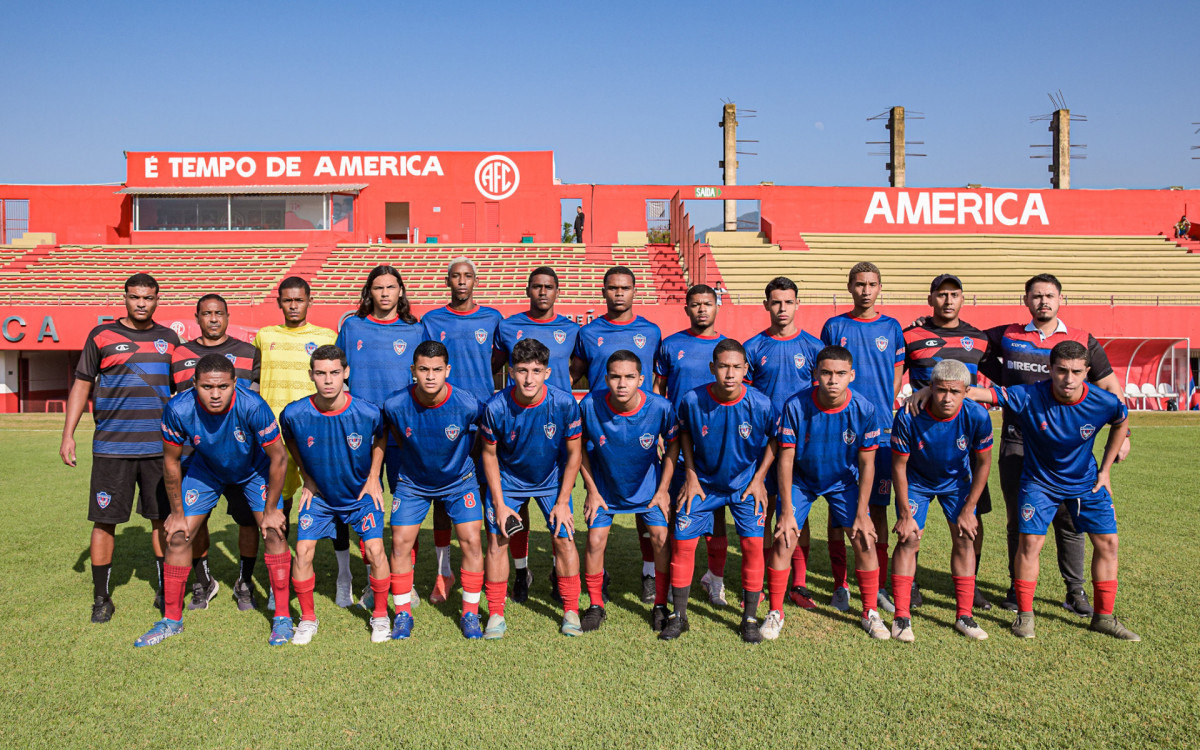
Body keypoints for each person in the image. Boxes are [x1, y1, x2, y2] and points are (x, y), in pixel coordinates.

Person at [974, 273, 1129, 614]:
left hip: (1068, 446)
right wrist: (1005, 380)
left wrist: (1125, 436)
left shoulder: (1081, 340)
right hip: (1018, 440)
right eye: (1037, 296)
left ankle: (1075, 593)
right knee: (1020, 521)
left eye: (1050, 296)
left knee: (1070, 520)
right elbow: (971, 347)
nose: (1043, 301)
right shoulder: (1008, 335)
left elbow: (1110, 388)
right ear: (1026, 300)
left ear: (1062, 300)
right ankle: (1018, 591)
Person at [967, 341, 1138, 640]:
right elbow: (976, 392)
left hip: (1086, 482)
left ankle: (1104, 618)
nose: (1068, 379)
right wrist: (934, 389)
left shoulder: (1103, 401)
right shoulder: (1029, 395)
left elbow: (1121, 421)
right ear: (1050, 369)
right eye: (1061, 371)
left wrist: (1106, 469)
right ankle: (1025, 615)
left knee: (1109, 543)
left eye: (1075, 372)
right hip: (1039, 483)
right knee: (1030, 543)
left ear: (1086, 371)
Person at [135, 355, 290, 647]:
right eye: (207, 386)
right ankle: (171, 620)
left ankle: (282, 618)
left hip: (252, 470)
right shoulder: (178, 408)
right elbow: (170, 462)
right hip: (206, 470)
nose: (215, 394)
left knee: (273, 531)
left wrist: (271, 511)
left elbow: (279, 457)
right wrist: (177, 513)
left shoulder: (253, 405)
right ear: (194, 384)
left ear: (235, 383)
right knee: (178, 535)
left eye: (223, 386)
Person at [60, 273, 180, 623]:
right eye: (135, 297)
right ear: (124, 298)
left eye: (149, 297)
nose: (142, 303)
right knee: (104, 522)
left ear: (158, 299)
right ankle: (101, 598)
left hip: (160, 449)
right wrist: (68, 434)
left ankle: (165, 591)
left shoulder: (169, 339)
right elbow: (82, 384)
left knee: (162, 520)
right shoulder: (102, 336)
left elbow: (180, 392)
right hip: (112, 448)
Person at [660, 340, 777, 644]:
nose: (729, 373)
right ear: (712, 368)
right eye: (723, 366)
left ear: (746, 370)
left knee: (752, 546)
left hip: (744, 486)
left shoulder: (761, 404)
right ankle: (679, 616)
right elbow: (683, 432)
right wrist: (691, 474)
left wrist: (759, 478)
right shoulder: (691, 400)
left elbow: (775, 441)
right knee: (683, 545)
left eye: (736, 367)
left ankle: (750, 619)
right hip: (703, 485)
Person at [764, 346, 885, 640]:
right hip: (801, 480)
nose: (833, 380)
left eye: (841, 374)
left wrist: (863, 513)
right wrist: (787, 511)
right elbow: (786, 460)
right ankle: (775, 611)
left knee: (865, 538)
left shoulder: (865, 409)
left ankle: (870, 610)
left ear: (851, 376)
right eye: (827, 373)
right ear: (815, 373)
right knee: (785, 536)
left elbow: (868, 464)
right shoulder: (795, 405)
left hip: (843, 481)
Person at [281, 345, 393, 645]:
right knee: (303, 552)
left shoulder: (368, 411)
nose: (328, 380)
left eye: (334, 373)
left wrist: (373, 477)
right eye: (321, 373)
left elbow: (381, 437)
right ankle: (307, 620)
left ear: (346, 373)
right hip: (320, 498)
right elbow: (290, 440)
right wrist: (307, 478)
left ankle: (381, 615)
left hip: (359, 496)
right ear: (311, 375)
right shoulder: (294, 413)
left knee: (375, 551)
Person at [252, 277, 354, 606]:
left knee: (335, 506)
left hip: (318, 438)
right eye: (287, 300)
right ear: (279, 302)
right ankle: (278, 585)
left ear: (310, 300)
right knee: (277, 510)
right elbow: (254, 384)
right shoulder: (264, 337)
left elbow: (340, 385)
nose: (293, 305)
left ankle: (343, 578)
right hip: (274, 441)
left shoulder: (327, 337)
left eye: (299, 299)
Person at [382, 341, 487, 640]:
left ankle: (470, 613)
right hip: (413, 482)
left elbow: (487, 428)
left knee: (470, 542)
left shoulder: (466, 403)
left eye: (437, 370)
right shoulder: (395, 404)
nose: (430, 376)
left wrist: (471, 458)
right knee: (400, 543)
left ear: (447, 370)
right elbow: (392, 437)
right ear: (413, 370)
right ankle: (402, 613)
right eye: (423, 369)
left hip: (459, 481)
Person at [480, 339, 583, 638]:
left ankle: (571, 611)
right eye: (522, 370)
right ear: (510, 371)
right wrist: (499, 504)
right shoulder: (495, 406)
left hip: (550, 480)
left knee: (564, 539)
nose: (528, 378)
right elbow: (489, 456)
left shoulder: (564, 404)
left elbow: (575, 454)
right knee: (498, 541)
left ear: (547, 373)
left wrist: (563, 501)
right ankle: (496, 615)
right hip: (509, 480)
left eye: (536, 371)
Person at [901, 274, 992, 611]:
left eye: (955, 294)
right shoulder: (911, 334)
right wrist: (917, 393)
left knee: (972, 522)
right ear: (931, 299)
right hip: (921, 439)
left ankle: (971, 587)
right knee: (913, 522)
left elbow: (998, 384)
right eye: (942, 295)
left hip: (965, 445)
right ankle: (908, 587)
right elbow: (897, 378)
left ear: (963, 299)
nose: (948, 301)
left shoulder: (980, 339)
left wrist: (966, 393)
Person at [572, 266, 663, 602]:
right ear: (603, 291)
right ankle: (600, 576)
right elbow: (573, 375)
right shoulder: (589, 332)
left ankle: (650, 573)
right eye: (613, 288)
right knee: (599, 506)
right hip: (601, 433)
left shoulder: (651, 331)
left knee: (645, 507)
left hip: (641, 430)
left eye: (625, 287)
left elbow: (656, 381)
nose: (619, 293)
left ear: (635, 291)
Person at [336, 265, 423, 610]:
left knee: (406, 509)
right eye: (378, 288)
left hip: (404, 433)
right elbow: (340, 376)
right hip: (362, 434)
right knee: (365, 506)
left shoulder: (416, 330)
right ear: (368, 292)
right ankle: (375, 579)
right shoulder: (352, 327)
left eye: (391, 287)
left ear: (401, 291)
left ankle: (407, 581)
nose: (385, 293)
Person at [889, 359, 994, 642]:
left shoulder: (978, 416)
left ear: (966, 391)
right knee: (909, 538)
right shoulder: (908, 415)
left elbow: (983, 463)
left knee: (965, 537)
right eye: (941, 390)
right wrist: (903, 513)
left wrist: (970, 509)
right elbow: (899, 465)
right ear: (930, 388)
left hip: (955, 483)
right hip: (916, 482)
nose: (947, 398)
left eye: (955, 392)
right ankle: (901, 616)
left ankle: (964, 615)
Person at [821, 262, 904, 614]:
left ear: (880, 287)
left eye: (871, 284)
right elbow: (824, 370)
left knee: (878, 510)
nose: (865, 290)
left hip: (880, 432)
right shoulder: (834, 326)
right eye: (859, 284)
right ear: (850, 288)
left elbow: (897, 376)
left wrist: (881, 409)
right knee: (838, 507)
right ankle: (840, 584)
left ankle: (879, 583)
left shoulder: (892, 327)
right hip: (839, 431)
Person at [171, 293, 262, 612]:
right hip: (196, 459)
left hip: (242, 457)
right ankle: (203, 581)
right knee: (197, 522)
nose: (213, 319)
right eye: (206, 313)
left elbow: (256, 401)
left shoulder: (248, 353)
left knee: (248, 522)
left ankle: (245, 582)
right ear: (196, 317)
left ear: (227, 316)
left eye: (219, 313)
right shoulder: (180, 353)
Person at [495, 266, 581, 603]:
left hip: (556, 423)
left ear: (557, 291)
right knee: (518, 506)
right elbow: (497, 364)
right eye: (536, 286)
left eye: (549, 287)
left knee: (559, 502)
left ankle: (560, 574)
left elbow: (577, 368)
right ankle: (521, 571)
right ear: (528, 290)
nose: (542, 292)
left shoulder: (572, 330)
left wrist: (559, 392)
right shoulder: (508, 326)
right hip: (519, 421)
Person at [421, 257, 504, 604]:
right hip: (444, 419)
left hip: (483, 417)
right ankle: (444, 571)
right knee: (443, 495)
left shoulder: (493, 318)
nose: (461, 282)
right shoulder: (432, 320)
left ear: (475, 280)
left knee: (488, 492)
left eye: (467, 276)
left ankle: (488, 566)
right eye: (455, 276)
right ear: (447, 281)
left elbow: (498, 359)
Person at [580, 351, 680, 632]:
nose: (621, 384)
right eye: (615, 377)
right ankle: (595, 605)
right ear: (606, 378)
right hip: (605, 489)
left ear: (641, 379)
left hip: (647, 488)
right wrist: (591, 490)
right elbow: (578, 447)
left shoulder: (659, 407)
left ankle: (660, 603)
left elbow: (673, 444)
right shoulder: (590, 404)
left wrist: (663, 490)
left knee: (660, 537)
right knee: (596, 539)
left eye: (628, 377)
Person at [743, 276, 824, 609]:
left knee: (795, 515)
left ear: (797, 304)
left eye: (788, 301)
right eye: (776, 302)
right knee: (764, 511)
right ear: (766, 306)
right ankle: (760, 582)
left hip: (802, 444)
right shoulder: (752, 347)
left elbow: (823, 398)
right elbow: (744, 396)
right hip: (764, 445)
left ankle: (799, 585)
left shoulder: (813, 348)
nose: (782, 308)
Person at [654, 284, 731, 606]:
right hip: (678, 440)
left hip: (718, 444)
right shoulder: (671, 345)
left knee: (717, 516)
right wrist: (658, 430)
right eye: (696, 304)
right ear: (686, 308)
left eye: (708, 304)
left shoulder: (728, 349)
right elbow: (658, 388)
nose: (702, 309)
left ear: (717, 307)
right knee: (675, 511)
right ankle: (676, 577)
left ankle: (715, 578)